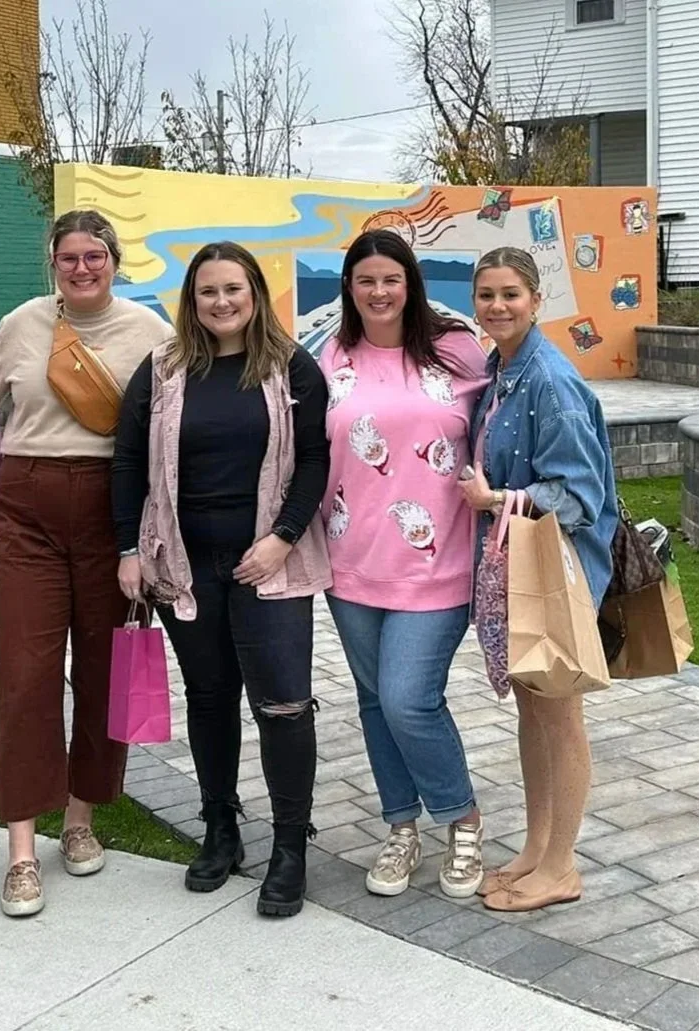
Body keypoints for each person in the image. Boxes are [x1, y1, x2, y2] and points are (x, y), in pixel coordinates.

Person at [112, 241, 330, 918]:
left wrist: (281, 537)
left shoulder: (291, 368)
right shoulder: (164, 369)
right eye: (207, 291)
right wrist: (128, 548)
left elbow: (315, 460)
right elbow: (126, 463)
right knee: (209, 699)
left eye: (232, 288)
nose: (221, 302)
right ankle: (220, 826)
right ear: (191, 300)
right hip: (185, 568)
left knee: (283, 706)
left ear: (255, 293)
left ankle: (290, 846)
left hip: (267, 565)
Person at [0, 209, 169, 917]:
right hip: (25, 508)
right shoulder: (21, 324)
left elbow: (173, 428)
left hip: (111, 513)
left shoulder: (151, 334)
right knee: (25, 676)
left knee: (103, 670)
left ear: (114, 260)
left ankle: (81, 819)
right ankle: (22, 849)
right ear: (53, 263)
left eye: (95, 255)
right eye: (69, 257)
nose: (82, 267)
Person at [318, 230, 491, 900]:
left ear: (409, 282)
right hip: (350, 561)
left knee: (407, 698)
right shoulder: (331, 354)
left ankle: (460, 815)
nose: (379, 291)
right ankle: (399, 826)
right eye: (365, 280)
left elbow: (504, 416)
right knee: (372, 702)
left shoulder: (454, 348)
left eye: (390, 278)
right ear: (349, 287)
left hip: (438, 562)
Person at [459, 246, 617, 913]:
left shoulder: (547, 378)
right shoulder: (501, 370)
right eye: (486, 294)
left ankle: (561, 865)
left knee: (559, 714)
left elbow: (577, 494)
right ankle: (535, 848)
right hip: (512, 565)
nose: (497, 306)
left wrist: (493, 500)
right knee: (533, 710)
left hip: (554, 569)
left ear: (534, 299)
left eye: (510, 294)